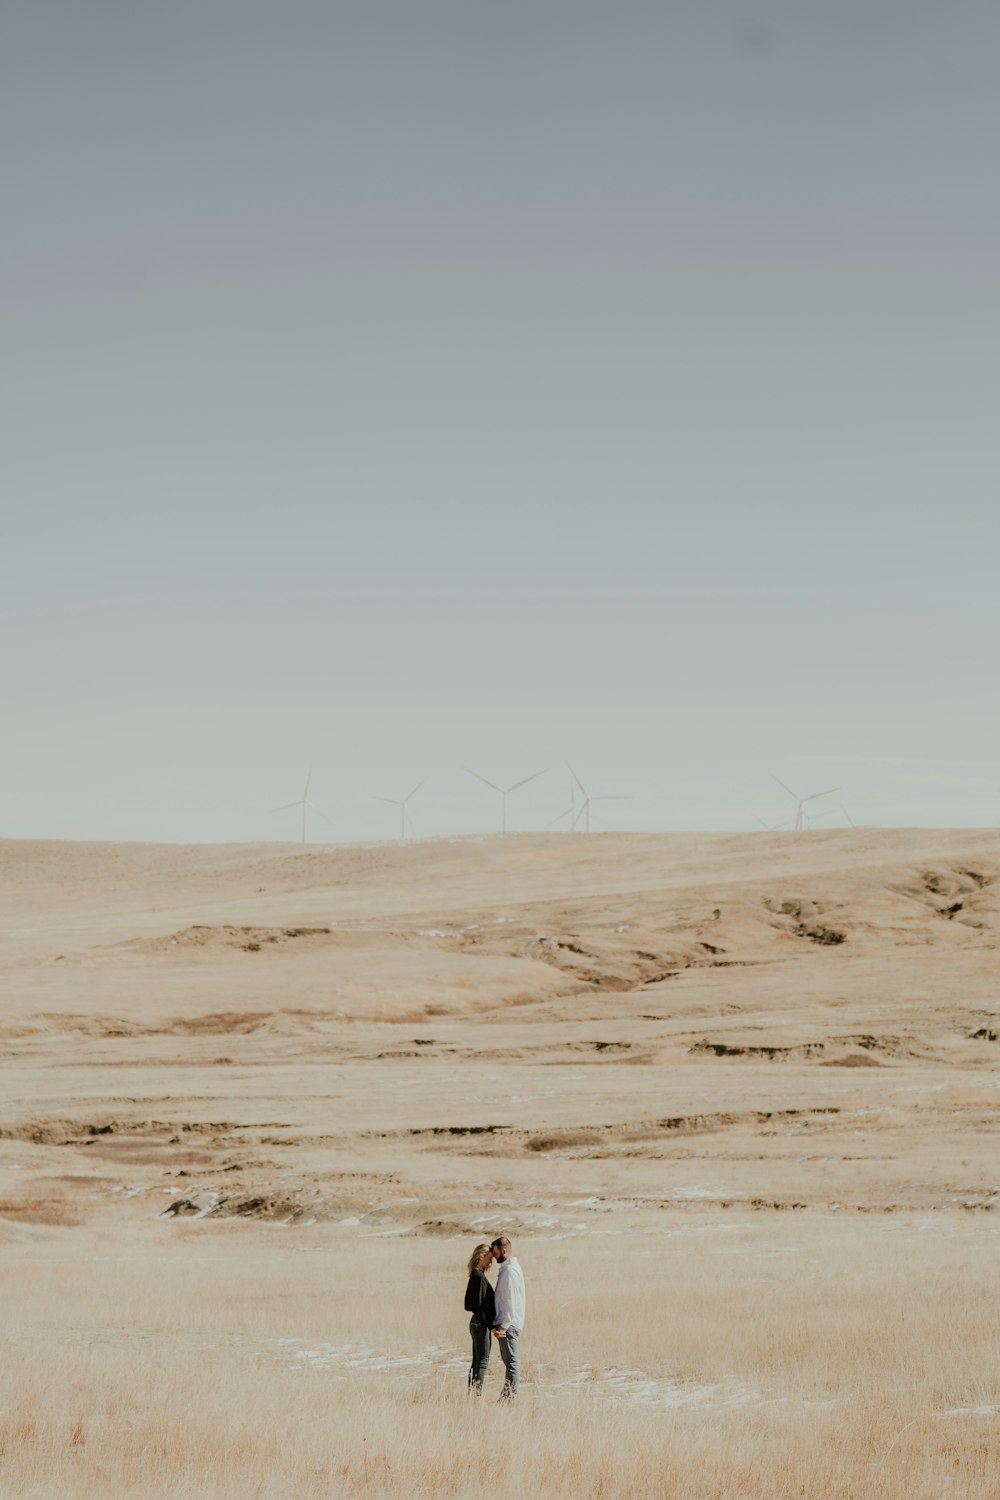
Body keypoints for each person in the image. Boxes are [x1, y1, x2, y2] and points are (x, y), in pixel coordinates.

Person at [490, 1235, 525, 1399]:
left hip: (509, 1324)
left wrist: (503, 1326)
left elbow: (510, 1300)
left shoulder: (510, 1271)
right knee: (509, 1362)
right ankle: (507, 1397)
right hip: (507, 1322)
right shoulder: (508, 1268)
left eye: (495, 1252)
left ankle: (508, 1398)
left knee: (512, 1363)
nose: (493, 1255)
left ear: (504, 1251)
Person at [464, 1243, 496, 1393]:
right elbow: (480, 1304)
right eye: (489, 1258)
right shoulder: (479, 1276)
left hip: (475, 1322)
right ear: (482, 1257)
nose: (491, 1262)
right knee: (482, 1362)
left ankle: (471, 1395)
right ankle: (476, 1396)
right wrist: (492, 1323)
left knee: (477, 1361)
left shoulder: (474, 1274)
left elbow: (469, 1304)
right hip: (480, 1323)